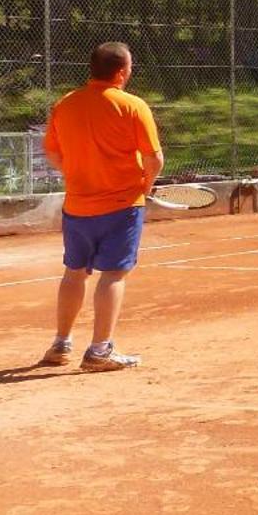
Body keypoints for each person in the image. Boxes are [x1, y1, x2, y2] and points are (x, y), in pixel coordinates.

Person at [37, 41, 163, 372]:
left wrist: (75, 173)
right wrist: (145, 186)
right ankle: (99, 351)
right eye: (131, 66)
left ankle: (61, 344)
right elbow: (154, 158)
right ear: (121, 72)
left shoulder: (66, 104)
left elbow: (51, 151)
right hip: (121, 206)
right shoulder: (133, 106)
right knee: (114, 274)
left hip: (77, 206)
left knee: (74, 272)